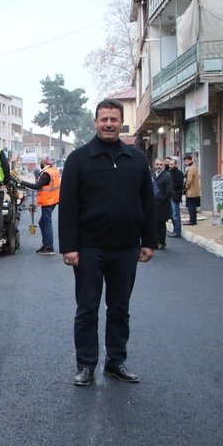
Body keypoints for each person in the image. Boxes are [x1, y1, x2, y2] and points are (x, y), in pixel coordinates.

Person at [59, 98, 156, 387]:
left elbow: (147, 203)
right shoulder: (79, 159)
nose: (109, 124)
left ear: (121, 122)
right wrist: (69, 247)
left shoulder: (137, 159)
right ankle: (86, 365)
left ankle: (116, 362)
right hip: (89, 248)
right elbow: (69, 207)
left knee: (119, 308)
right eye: (104, 119)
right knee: (87, 308)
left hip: (126, 248)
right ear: (96, 122)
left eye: (114, 119)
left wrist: (148, 240)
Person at [17, 157, 60, 255]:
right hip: (53, 200)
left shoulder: (46, 174)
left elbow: (37, 186)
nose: (40, 163)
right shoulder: (53, 170)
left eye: (41, 161)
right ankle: (46, 245)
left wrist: (22, 182)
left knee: (46, 223)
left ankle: (49, 247)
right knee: (43, 222)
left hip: (48, 201)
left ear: (44, 162)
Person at [153, 158, 173, 250]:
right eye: (157, 165)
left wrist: (161, 199)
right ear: (154, 165)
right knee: (154, 223)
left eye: (161, 165)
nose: (159, 166)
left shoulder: (167, 176)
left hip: (162, 205)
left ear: (164, 166)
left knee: (161, 224)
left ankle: (161, 242)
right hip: (153, 204)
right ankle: (155, 241)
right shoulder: (153, 175)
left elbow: (169, 191)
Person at [166, 156, 184, 237]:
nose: (170, 166)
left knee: (175, 215)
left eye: (172, 164)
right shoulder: (168, 172)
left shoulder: (179, 173)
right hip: (170, 195)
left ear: (176, 165)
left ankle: (177, 231)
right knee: (172, 215)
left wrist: (171, 186)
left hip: (175, 195)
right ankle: (175, 230)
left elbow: (180, 184)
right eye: (169, 164)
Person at [183, 154, 200, 225]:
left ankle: (192, 221)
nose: (185, 163)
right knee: (193, 207)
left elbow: (189, 180)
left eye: (186, 161)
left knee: (191, 207)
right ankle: (193, 220)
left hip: (191, 191)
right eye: (184, 161)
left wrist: (185, 187)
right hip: (195, 190)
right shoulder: (195, 167)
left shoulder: (190, 168)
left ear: (190, 160)